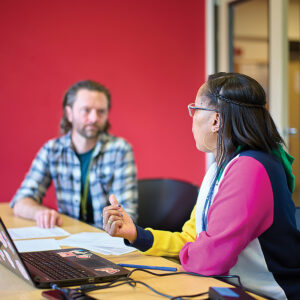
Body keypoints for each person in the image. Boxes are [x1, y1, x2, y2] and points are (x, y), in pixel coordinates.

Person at [102, 72, 300, 300]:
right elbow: (194, 241)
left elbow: (207, 260)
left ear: (216, 120)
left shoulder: (250, 169)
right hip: (236, 290)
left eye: (195, 109)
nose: (192, 117)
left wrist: (196, 252)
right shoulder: (220, 168)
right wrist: (138, 235)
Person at [11, 80, 138, 229]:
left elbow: (128, 215)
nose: (94, 118)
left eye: (101, 111)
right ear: (69, 113)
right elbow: (20, 201)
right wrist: (40, 213)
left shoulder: (120, 150)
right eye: (86, 110)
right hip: (68, 239)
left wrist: (115, 224)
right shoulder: (52, 149)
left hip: (106, 239)